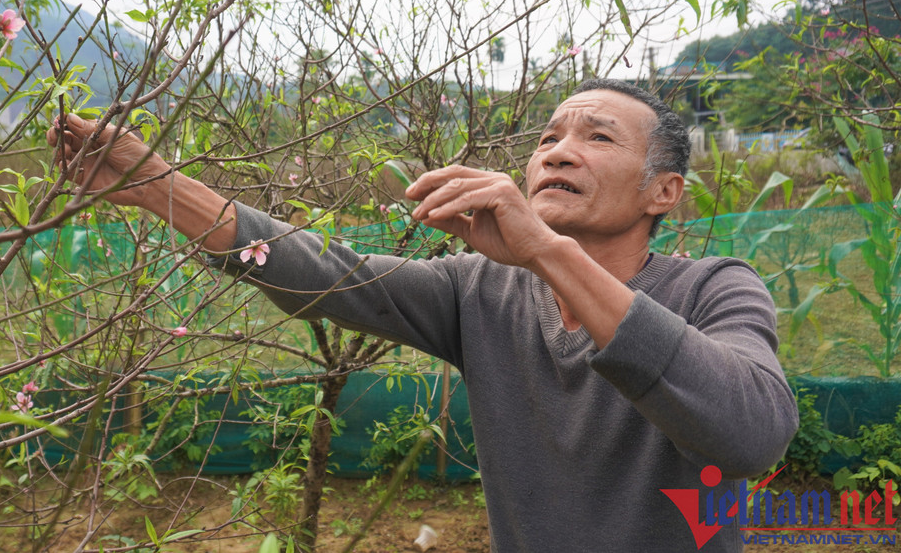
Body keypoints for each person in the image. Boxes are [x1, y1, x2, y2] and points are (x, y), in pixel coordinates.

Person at [47, 78, 798, 551]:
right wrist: (160, 189)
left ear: (662, 193)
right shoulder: (481, 290)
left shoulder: (716, 289)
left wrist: (541, 248)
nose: (558, 152)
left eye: (596, 137)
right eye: (548, 137)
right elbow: (332, 274)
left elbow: (752, 433)